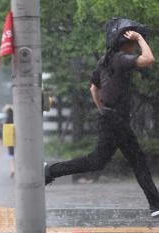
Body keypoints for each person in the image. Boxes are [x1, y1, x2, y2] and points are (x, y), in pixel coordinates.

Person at [44, 18, 159, 218]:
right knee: (106, 161)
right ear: (126, 43)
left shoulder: (105, 61)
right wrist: (140, 38)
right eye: (132, 41)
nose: (135, 45)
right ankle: (50, 171)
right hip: (115, 120)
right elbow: (149, 59)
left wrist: (103, 111)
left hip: (113, 119)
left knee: (122, 161)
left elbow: (93, 88)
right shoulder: (121, 59)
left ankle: (156, 205)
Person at [3, 105, 15, 178]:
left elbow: (6, 131)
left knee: (11, 156)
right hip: (18, 140)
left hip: (10, 140)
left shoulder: (7, 120)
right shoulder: (17, 118)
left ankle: (12, 170)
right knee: (17, 156)